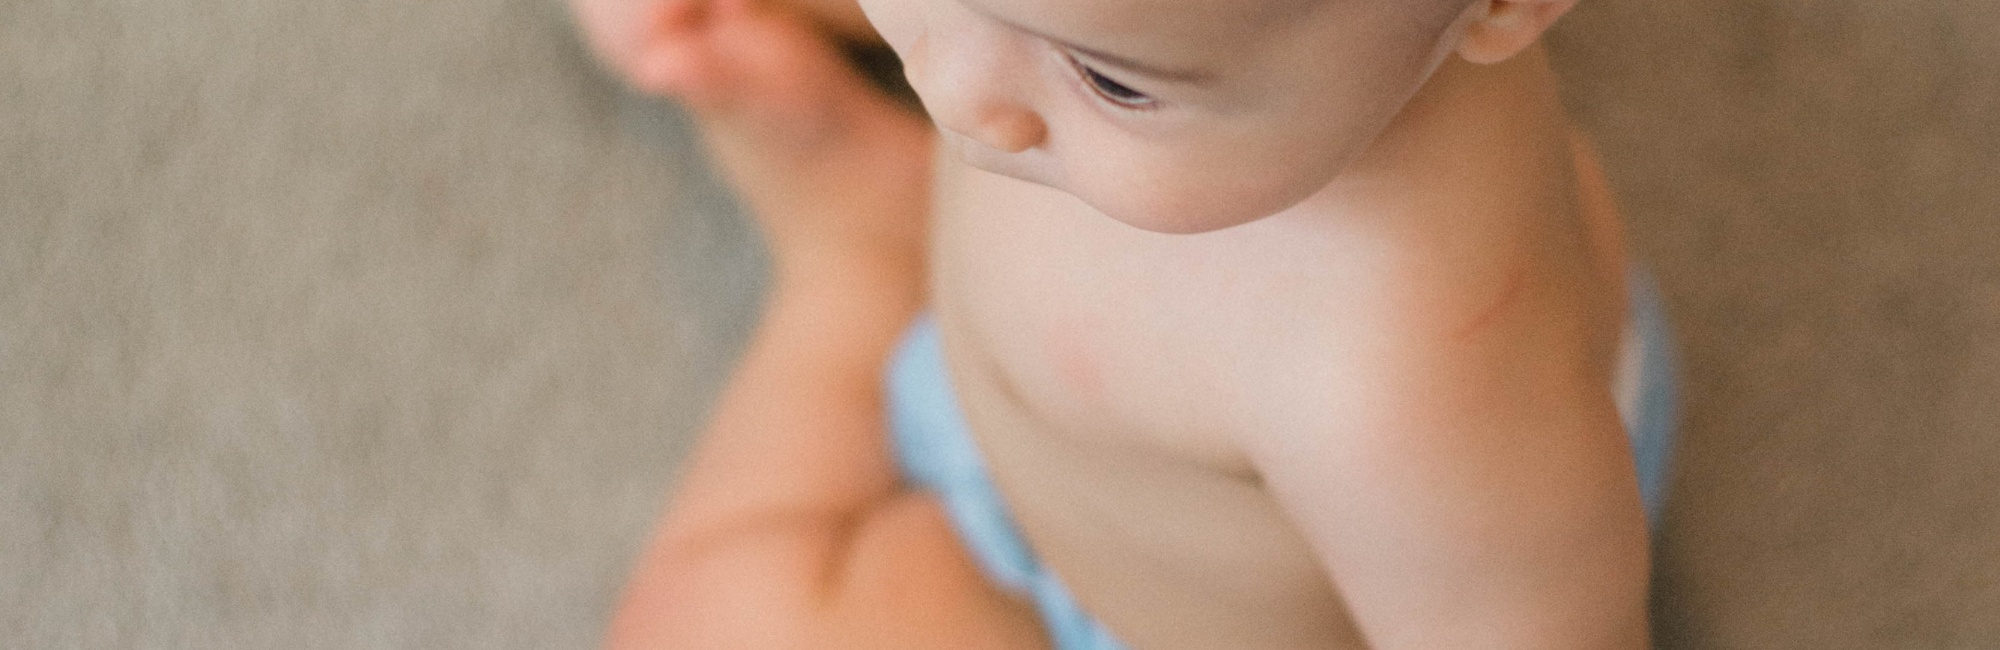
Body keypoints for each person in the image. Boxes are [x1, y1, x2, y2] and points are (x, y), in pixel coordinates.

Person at [571, 0, 1677, 646]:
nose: (953, 99)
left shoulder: (1403, 391)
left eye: (1115, 84)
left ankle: (855, 269)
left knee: (695, 620)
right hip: (1070, 438)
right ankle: (882, 236)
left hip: (1186, 601)